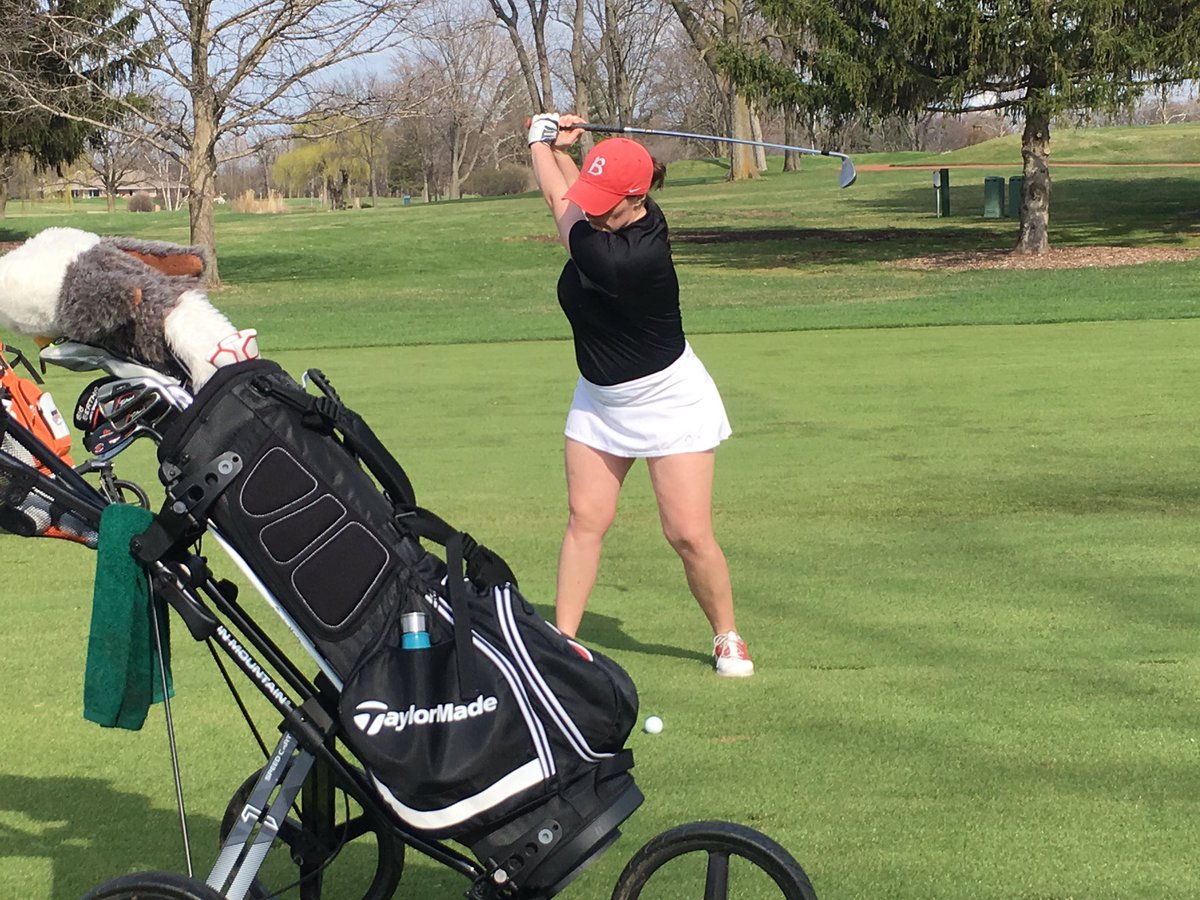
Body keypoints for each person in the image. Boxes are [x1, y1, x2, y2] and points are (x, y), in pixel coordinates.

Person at [526, 112, 753, 677]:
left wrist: (539, 139)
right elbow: (571, 191)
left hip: (669, 400)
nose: (592, 205)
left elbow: (562, 205)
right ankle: (562, 645)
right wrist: (556, 145)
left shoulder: (630, 258)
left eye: (604, 198)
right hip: (600, 400)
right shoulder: (613, 215)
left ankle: (727, 636)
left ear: (637, 197)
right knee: (585, 520)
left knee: (687, 534)